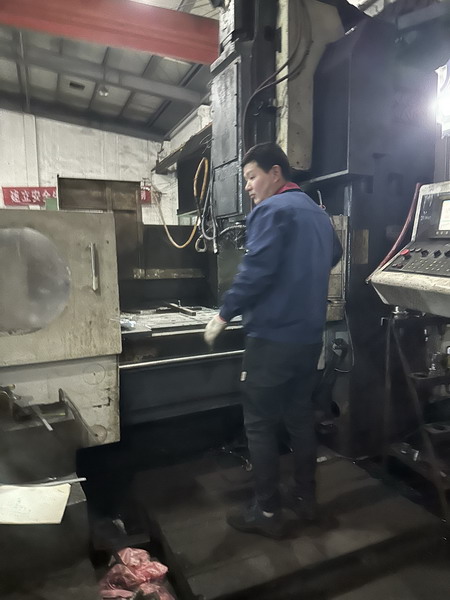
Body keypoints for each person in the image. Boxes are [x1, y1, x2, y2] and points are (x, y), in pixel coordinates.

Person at [204, 142, 342, 538]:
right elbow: (334, 254)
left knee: (260, 424)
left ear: (276, 173)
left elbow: (255, 271)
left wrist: (224, 313)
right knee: (299, 417)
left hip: (272, 338)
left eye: (252, 177)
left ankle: (266, 512)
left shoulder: (271, 210)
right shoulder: (318, 214)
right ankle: (305, 499)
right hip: (307, 337)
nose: (248, 186)